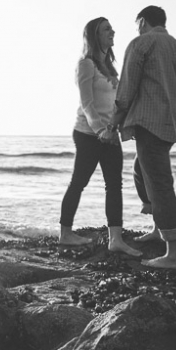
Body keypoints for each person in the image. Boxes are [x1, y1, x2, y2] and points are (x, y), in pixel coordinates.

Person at [110, 5, 176, 269]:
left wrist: (115, 120)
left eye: (138, 24)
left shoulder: (141, 43)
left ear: (143, 21)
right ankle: (160, 228)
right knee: (140, 169)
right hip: (171, 122)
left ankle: (174, 254)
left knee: (158, 182)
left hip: (149, 121)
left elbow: (127, 87)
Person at [59, 17, 141, 256]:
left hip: (110, 134)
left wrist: (120, 128)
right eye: (107, 29)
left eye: (111, 29)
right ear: (95, 35)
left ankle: (115, 238)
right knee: (78, 182)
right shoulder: (86, 64)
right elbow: (87, 104)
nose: (112, 32)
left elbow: (116, 104)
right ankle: (65, 233)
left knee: (114, 185)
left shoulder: (111, 67)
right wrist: (99, 131)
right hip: (87, 133)